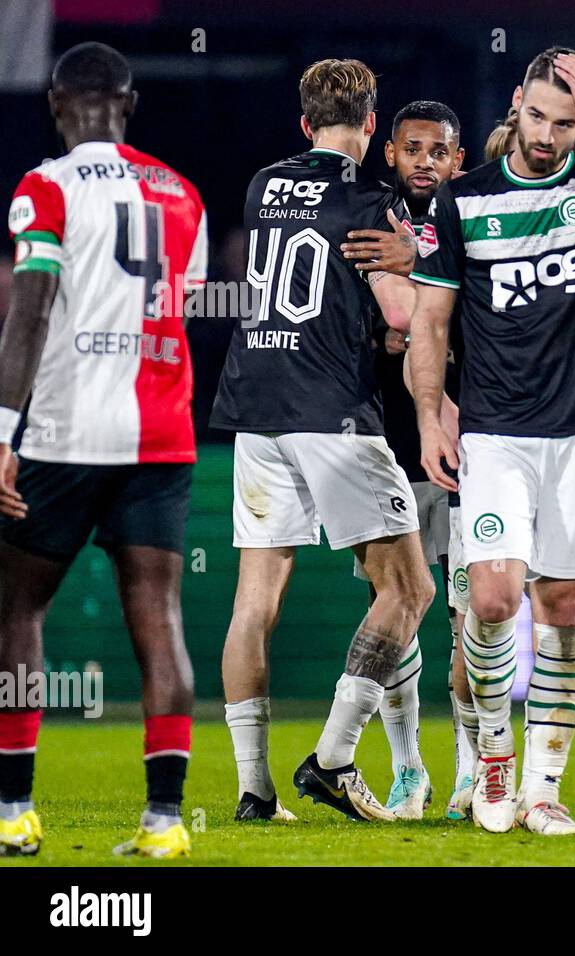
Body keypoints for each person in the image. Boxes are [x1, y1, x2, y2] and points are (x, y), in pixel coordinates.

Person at [406, 47, 575, 835]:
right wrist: (431, 415)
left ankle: (543, 789)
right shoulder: (462, 202)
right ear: (515, 108)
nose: (549, 135)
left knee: (562, 608)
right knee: (490, 600)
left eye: (566, 123)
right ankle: (492, 759)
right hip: (496, 435)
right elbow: (429, 321)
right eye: (538, 117)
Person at [211, 58, 435, 824]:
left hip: (255, 402)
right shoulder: (374, 200)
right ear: (372, 124)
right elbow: (403, 313)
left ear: (304, 124)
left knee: (255, 603)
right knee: (408, 589)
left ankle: (253, 791)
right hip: (332, 409)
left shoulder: (262, 187)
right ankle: (335, 759)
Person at [0, 42, 207, 858]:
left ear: (58, 103)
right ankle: (164, 823)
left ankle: (14, 811)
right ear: (129, 103)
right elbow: (172, 312)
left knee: (17, 609)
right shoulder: (183, 195)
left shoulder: (43, 187)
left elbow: (29, 311)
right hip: (161, 435)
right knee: (159, 620)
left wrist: (1, 434)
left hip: (61, 431)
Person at [332, 100, 466, 820]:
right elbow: (374, 315)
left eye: (436, 150)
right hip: (388, 439)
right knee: (397, 606)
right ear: (389, 152)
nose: (423, 160)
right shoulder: (363, 214)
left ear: (457, 157)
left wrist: (422, 289)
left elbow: (492, 308)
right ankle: (409, 767)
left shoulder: (476, 215)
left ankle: (476, 770)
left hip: (474, 436)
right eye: (411, 148)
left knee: (472, 612)